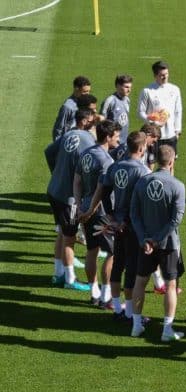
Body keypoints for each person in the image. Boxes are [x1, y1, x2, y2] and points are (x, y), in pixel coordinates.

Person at [83, 131, 151, 322]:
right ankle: (129, 313)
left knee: (117, 262)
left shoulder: (114, 167)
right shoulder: (143, 171)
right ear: (141, 148)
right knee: (130, 267)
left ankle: (116, 308)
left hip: (117, 222)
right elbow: (143, 202)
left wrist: (112, 214)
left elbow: (104, 192)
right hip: (133, 225)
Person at [129, 145, 186, 342]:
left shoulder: (142, 182)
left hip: (145, 243)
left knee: (140, 281)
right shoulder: (177, 186)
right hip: (168, 244)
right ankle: (167, 330)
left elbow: (134, 214)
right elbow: (175, 220)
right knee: (171, 285)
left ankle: (136, 325)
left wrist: (144, 238)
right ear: (171, 162)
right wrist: (157, 238)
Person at [45, 108, 97, 291]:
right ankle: (70, 279)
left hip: (53, 190)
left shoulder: (69, 134)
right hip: (68, 198)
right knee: (69, 237)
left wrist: (57, 174)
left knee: (61, 232)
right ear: (86, 121)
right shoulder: (88, 140)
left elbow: (49, 152)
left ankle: (58, 274)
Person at [74, 120, 121, 307]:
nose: (118, 139)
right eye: (116, 136)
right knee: (113, 252)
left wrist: (80, 207)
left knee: (91, 250)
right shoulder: (106, 161)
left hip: (85, 208)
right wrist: (91, 210)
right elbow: (101, 192)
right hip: (102, 215)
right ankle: (106, 295)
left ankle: (94, 291)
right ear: (108, 137)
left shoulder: (86, 153)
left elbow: (77, 180)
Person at [138, 61, 182, 156]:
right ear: (155, 75)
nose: (165, 77)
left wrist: (177, 130)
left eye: (166, 74)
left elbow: (178, 111)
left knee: (170, 164)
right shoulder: (147, 91)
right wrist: (152, 122)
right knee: (151, 164)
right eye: (162, 75)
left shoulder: (175, 89)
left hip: (170, 134)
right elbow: (141, 112)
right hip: (153, 135)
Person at [52, 76, 91, 141]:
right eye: (85, 91)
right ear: (76, 89)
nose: (88, 94)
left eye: (89, 91)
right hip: (70, 143)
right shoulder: (67, 107)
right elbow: (58, 129)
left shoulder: (87, 103)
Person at [101, 74, 133, 144]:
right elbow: (101, 122)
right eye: (126, 87)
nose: (129, 90)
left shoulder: (127, 100)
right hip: (112, 142)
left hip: (124, 141)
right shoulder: (110, 101)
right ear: (118, 86)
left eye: (130, 87)